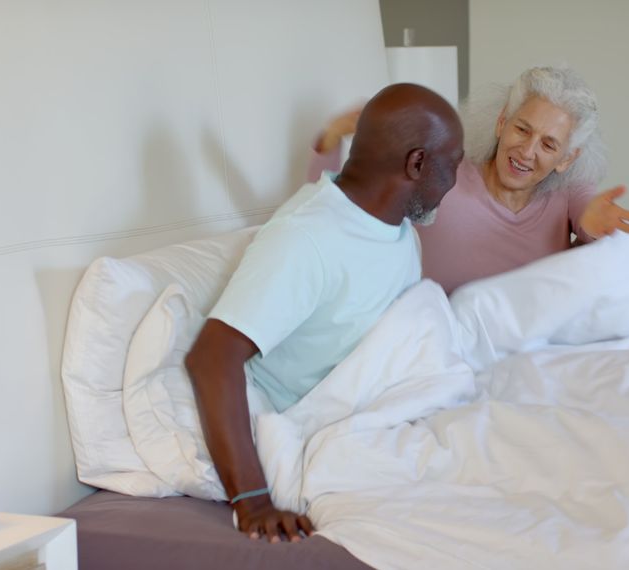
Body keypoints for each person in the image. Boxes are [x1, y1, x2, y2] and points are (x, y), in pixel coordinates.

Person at [184, 83, 465, 544]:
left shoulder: (399, 232)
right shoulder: (307, 239)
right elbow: (211, 358)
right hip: (319, 423)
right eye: (451, 166)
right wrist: (252, 500)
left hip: (389, 410)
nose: (452, 184)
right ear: (416, 164)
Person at [312, 66, 629, 294]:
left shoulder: (568, 192)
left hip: (525, 350)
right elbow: (336, 214)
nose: (527, 151)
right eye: (522, 129)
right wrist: (330, 141)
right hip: (439, 340)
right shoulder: (442, 176)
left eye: (548, 144)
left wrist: (595, 226)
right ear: (502, 123)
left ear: (567, 159)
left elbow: (589, 215)